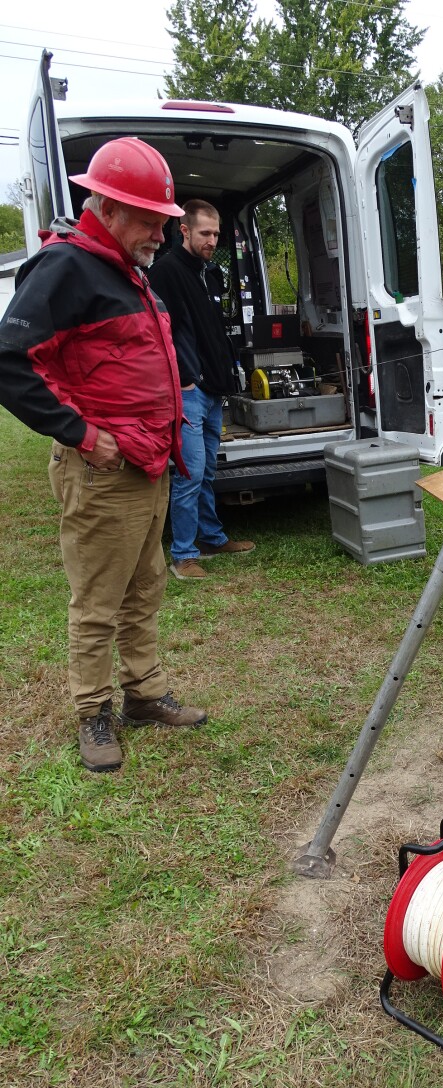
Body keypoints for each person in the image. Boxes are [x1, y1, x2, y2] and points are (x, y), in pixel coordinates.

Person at [0, 138, 208, 773]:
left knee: (144, 588)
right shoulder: (67, 267)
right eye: (149, 219)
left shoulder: (126, 270)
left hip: (147, 465)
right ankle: (93, 712)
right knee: (98, 601)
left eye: (163, 220)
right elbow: (10, 361)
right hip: (102, 471)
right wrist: (81, 435)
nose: (160, 233)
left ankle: (142, 694)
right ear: (109, 207)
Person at [149, 200, 255, 581]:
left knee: (207, 470)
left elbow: (211, 331)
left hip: (212, 391)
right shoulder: (165, 272)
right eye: (205, 233)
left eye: (216, 234)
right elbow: (159, 334)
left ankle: (211, 537)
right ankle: (183, 555)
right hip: (188, 392)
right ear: (184, 230)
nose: (212, 240)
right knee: (190, 473)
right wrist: (185, 379)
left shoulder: (209, 273)